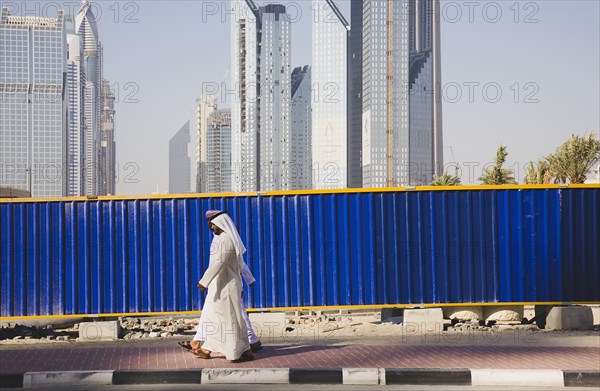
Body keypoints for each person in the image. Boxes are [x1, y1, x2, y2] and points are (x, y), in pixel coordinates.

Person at [185, 210, 257, 362]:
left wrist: (204, 281)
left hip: (226, 287)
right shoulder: (222, 239)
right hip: (222, 286)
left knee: (227, 319)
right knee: (227, 319)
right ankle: (245, 350)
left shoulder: (226, 240)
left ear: (220, 223)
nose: (211, 227)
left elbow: (219, 262)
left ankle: (217, 350)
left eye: (212, 224)